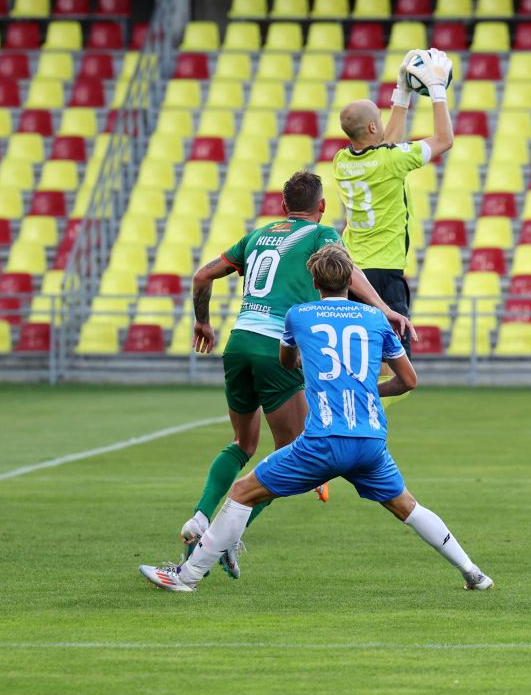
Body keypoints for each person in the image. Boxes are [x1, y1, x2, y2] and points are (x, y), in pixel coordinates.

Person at [140, 245, 493, 592]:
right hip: (369, 441)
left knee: (242, 491)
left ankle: (187, 577)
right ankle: (473, 573)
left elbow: (286, 362)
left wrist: (306, 361)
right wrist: (368, 390)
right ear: (350, 281)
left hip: (322, 441)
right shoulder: (375, 318)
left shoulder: (299, 315)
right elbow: (409, 381)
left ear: (314, 282)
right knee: (408, 507)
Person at [179, 171, 413, 557]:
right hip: (276, 347)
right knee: (291, 453)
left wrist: (202, 321)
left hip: (239, 342)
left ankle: (201, 516)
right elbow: (350, 271)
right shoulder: (321, 235)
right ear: (321, 206)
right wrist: (385, 308)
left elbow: (202, 276)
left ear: (283, 205)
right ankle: (227, 537)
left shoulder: (256, 236)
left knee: (243, 443)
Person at [333, 48, 455, 350]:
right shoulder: (392, 160)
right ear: (373, 127)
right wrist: (436, 89)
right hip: (385, 273)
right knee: (396, 362)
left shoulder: (341, 161)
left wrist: (402, 92)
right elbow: (444, 140)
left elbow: (385, 145)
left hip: (353, 273)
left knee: (361, 357)